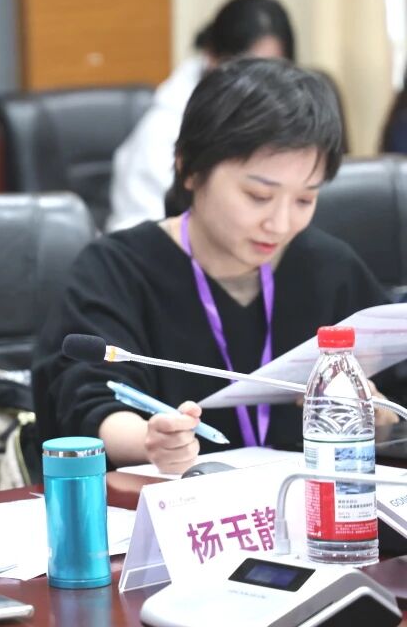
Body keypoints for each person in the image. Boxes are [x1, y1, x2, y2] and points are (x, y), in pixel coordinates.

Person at [34, 58, 397, 475]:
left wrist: (378, 416)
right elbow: (89, 400)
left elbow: (394, 395)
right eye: (258, 196)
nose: (280, 224)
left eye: (305, 199)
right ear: (190, 168)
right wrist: (151, 441)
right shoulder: (116, 271)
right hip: (169, 503)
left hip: (305, 503)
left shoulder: (331, 269)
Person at [107, 0, 295, 232]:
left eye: (274, 71)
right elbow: (138, 232)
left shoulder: (289, 122)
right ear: (212, 57)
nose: (263, 86)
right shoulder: (163, 131)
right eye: (250, 72)